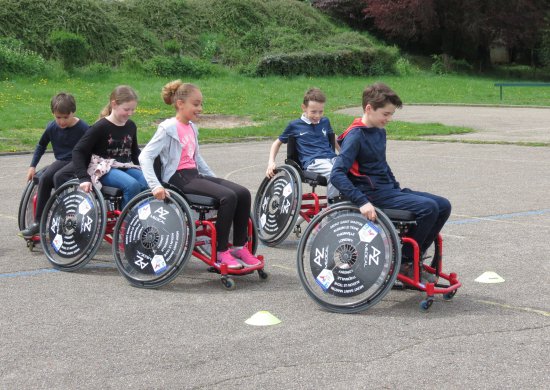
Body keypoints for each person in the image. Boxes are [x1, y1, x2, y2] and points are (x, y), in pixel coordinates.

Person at [330, 82, 451, 279]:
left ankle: (413, 257)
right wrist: (362, 201)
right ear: (369, 108)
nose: (389, 119)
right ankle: (404, 262)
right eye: (386, 114)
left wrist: (395, 186)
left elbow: (382, 165)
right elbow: (337, 174)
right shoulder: (355, 135)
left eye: (391, 114)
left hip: (387, 189)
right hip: (370, 194)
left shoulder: (379, 130)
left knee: (443, 205)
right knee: (428, 208)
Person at [139, 80, 260, 270]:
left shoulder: (192, 128)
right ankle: (221, 252)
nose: (200, 108)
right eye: (196, 104)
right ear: (180, 104)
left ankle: (238, 247)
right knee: (227, 197)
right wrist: (155, 186)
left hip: (194, 175)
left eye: (201, 104)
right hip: (177, 178)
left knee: (243, 193)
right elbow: (145, 156)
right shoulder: (168, 128)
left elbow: (197, 159)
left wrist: (216, 180)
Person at [54, 85, 148, 209]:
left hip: (123, 166)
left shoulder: (131, 126)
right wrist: (83, 178)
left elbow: (135, 152)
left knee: (147, 181)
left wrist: (149, 168)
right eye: (126, 109)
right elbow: (78, 151)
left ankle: (137, 215)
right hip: (103, 169)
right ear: (114, 104)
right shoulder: (101, 127)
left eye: (133, 109)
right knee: (132, 185)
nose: (130, 113)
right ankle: (126, 224)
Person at [19, 93, 89, 238]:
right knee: (45, 178)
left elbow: (91, 148)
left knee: (59, 176)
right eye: (58, 117)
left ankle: (63, 217)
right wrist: (32, 166)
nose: (62, 121)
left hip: (78, 160)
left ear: (73, 112)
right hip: (62, 160)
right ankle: (38, 222)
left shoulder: (82, 128)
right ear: (53, 114)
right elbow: (41, 146)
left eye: (65, 117)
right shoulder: (52, 127)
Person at [266, 87, 339, 199]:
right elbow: (276, 143)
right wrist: (271, 163)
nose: (318, 116)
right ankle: (334, 214)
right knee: (335, 174)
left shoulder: (325, 121)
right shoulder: (295, 125)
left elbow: (333, 137)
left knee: (353, 170)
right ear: (304, 108)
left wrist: (345, 154)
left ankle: (350, 208)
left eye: (321, 111)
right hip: (314, 161)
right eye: (313, 112)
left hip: (331, 158)